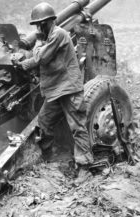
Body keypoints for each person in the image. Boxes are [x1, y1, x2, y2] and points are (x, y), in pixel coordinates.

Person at [17, 2, 94, 178]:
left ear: (48, 22)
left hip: (68, 89)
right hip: (55, 90)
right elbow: (39, 60)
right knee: (44, 122)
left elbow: (41, 57)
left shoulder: (58, 34)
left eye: (39, 24)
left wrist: (35, 44)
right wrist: (21, 65)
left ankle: (85, 167)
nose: (38, 28)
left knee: (77, 126)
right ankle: (49, 159)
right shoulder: (49, 37)